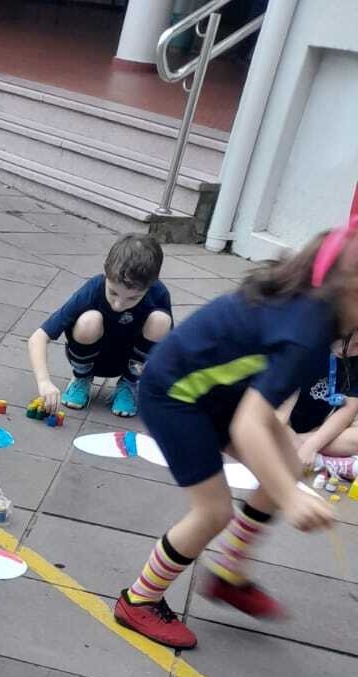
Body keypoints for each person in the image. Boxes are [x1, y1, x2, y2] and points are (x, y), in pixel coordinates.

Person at [114, 223, 358, 648]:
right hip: (175, 394)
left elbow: (260, 406)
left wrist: (286, 475)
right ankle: (139, 600)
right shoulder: (307, 331)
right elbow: (249, 423)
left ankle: (229, 571)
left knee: (288, 464)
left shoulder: (313, 309)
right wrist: (290, 498)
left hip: (216, 390)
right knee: (214, 511)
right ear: (350, 292)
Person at [27, 234, 173, 421]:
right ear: (106, 271)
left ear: (150, 285)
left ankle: (129, 384)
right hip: (91, 357)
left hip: (132, 362)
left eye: (132, 298)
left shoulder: (158, 293)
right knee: (89, 320)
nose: (119, 304)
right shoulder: (93, 289)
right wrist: (44, 382)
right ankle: (81, 378)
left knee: (161, 320)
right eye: (113, 292)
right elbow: (38, 338)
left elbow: (170, 348)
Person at [286, 329, 358, 481]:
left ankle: (318, 460)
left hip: (316, 431)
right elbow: (278, 413)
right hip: (283, 425)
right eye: (356, 344)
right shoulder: (309, 348)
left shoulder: (354, 360)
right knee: (271, 425)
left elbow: (349, 409)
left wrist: (311, 445)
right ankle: (293, 448)